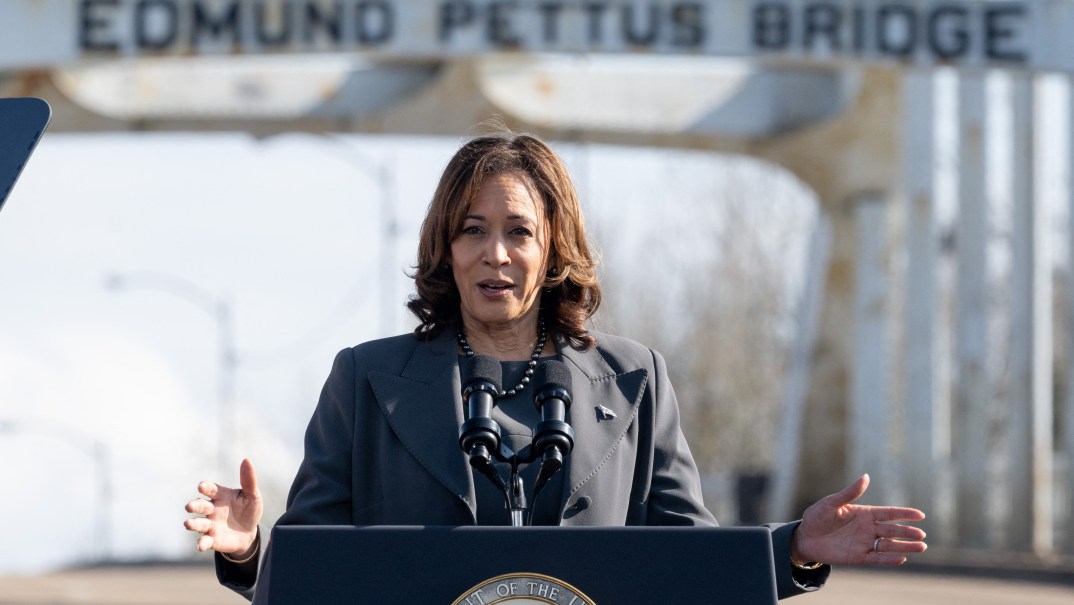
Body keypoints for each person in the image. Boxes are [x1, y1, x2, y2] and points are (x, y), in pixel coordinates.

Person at [184, 132, 927, 600]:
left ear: (553, 246)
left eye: (518, 231)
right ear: (446, 245)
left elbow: (691, 568)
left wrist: (791, 548)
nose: (494, 253)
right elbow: (314, 579)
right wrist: (252, 549)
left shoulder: (636, 380)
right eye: (472, 230)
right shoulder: (366, 379)